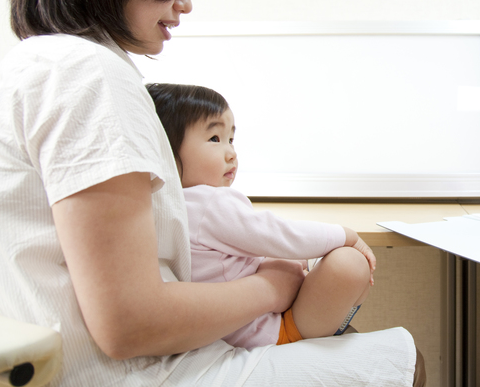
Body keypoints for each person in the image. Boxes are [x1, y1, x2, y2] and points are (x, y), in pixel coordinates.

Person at [0, 0, 424, 386]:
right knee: (407, 362)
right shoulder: (87, 75)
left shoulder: (37, 64)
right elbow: (128, 324)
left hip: (86, 360)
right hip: (137, 373)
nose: (185, 3)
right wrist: (273, 287)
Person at [146, 82, 373, 347]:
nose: (231, 153)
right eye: (214, 139)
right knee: (349, 264)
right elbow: (279, 234)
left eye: (231, 139)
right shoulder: (208, 203)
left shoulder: (160, 205)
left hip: (234, 327)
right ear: (167, 153)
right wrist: (346, 235)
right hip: (273, 331)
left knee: (293, 260)